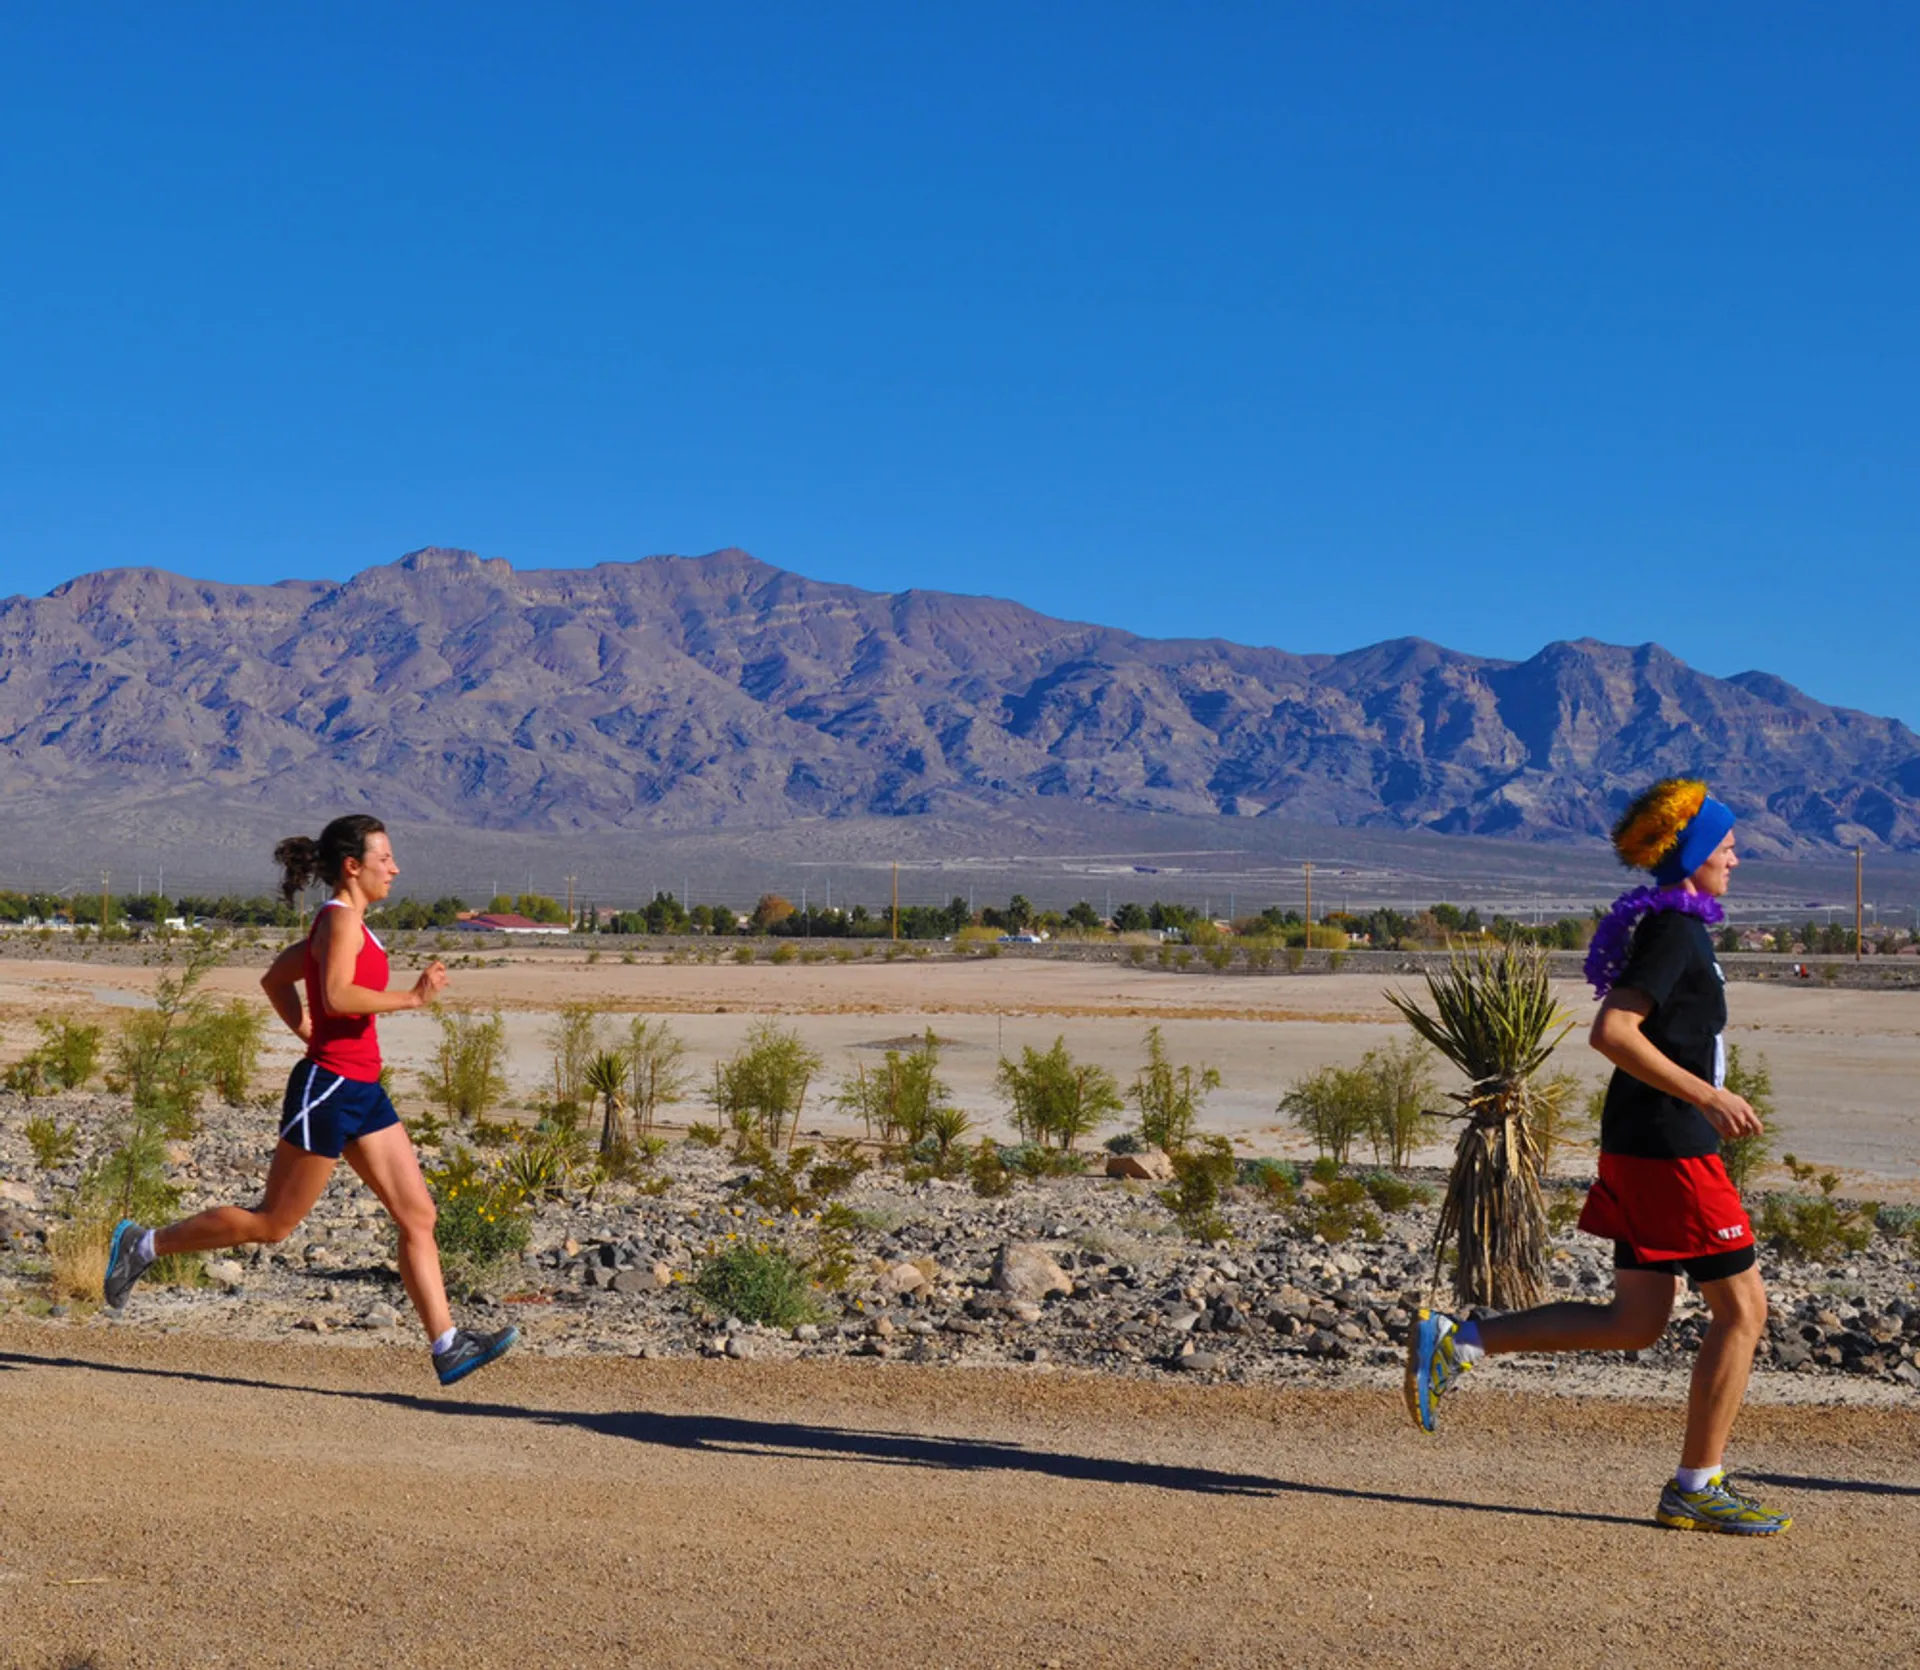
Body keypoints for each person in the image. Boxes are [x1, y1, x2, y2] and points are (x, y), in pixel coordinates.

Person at [1405, 779, 1791, 1535]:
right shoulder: (1675, 934)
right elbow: (1613, 1032)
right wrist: (1707, 1098)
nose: (1737, 857)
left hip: (1648, 1141)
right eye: (1726, 844)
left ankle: (1462, 1339)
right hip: (1668, 1146)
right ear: (1690, 852)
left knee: (1636, 1319)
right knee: (1744, 1310)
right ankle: (1696, 1485)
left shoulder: (1679, 927)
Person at [103, 814, 518, 1388]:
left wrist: (307, 1028)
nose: (395, 868)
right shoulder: (340, 922)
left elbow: (275, 979)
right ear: (354, 866)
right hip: (327, 1090)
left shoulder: (348, 925)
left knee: (418, 1215)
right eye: (385, 859)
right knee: (273, 1223)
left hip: (362, 1090)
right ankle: (143, 1244)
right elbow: (338, 994)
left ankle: (447, 1344)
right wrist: (413, 998)